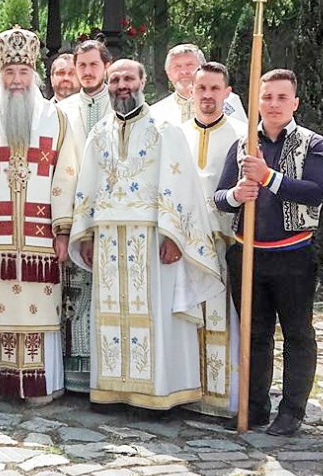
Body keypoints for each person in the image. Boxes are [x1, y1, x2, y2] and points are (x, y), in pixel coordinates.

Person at [70, 58, 221, 410]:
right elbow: (87, 186)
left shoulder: (165, 129)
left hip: (153, 239)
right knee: (111, 317)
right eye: (116, 79)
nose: (122, 85)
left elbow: (180, 186)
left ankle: (158, 396)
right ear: (108, 85)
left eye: (128, 78)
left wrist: (175, 236)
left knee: (157, 317)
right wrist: (87, 234)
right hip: (108, 240)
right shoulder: (100, 132)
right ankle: (113, 390)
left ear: (143, 81)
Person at [0, 27, 80, 404]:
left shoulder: (55, 120)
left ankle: (39, 384)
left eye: (23, 73)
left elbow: (66, 175)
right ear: (0, 76)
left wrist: (63, 231)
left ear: (33, 74)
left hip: (40, 238)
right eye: (10, 73)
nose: (17, 80)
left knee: (39, 310)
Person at [215, 69, 323, 437]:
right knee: (255, 334)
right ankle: (255, 406)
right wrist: (236, 195)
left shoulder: (313, 143)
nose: (274, 104)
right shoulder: (243, 144)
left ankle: (293, 410)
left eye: (282, 98)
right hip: (248, 254)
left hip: (293, 254)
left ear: (295, 103)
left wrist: (268, 178)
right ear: (257, 102)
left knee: (297, 333)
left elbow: (316, 192)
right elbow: (220, 197)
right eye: (267, 97)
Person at [176, 62, 246, 417]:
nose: (206, 96)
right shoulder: (176, 133)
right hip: (185, 245)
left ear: (227, 93)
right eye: (200, 88)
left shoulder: (242, 135)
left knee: (224, 319)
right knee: (189, 318)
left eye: (214, 89)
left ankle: (223, 397)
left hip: (224, 240)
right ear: (190, 91)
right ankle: (189, 390)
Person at [56, 39, 112, 393]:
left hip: (110, 216)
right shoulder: (61, 111)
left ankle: (107, 371)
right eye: (82, 66)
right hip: (72, 212)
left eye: (93, 65)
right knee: (72, 294)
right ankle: (73, 375)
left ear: (106, 66)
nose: (88, 71)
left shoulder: (121, 105)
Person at [149, 43, 246, 123]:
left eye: (189, 65)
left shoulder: (228, 101)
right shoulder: (156, 113)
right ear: (168, 74)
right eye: (177, 67)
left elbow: (243, 138)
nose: (184, 72)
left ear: (203, 68)